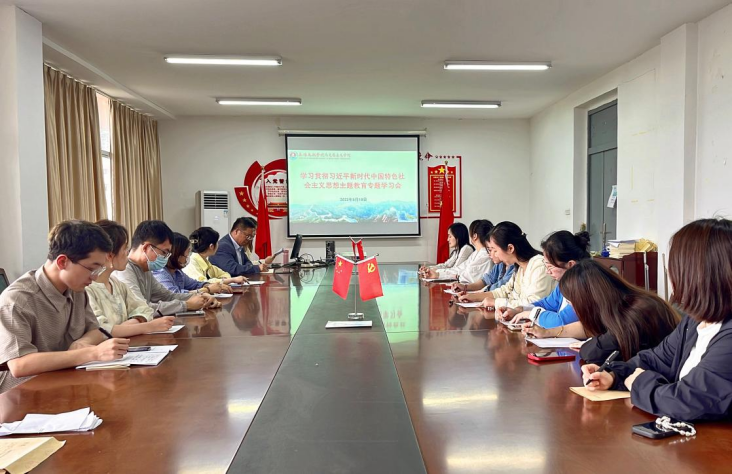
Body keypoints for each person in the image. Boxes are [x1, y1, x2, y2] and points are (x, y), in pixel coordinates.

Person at [584, 218, 732, 421]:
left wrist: (639, 383)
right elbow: (656, 359)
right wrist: (613, 374)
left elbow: (685, 401)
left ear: (695, 273)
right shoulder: (695, 321)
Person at [0, 220, 129, 393]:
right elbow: (19, 365)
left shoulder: (76, 289)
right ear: (62, 262)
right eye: (92, 269)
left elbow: (95, 331)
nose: (94, 277)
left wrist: (81, 343)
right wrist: (91, 353)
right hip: (23, 394)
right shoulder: (17, 301)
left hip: (66, 383)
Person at [525, 259, 679, 364]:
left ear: (587, 299)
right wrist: (548, 332)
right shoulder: (623, 304)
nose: (573, 308)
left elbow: (592, 352)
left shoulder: (637, 312)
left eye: (572, 302)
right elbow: (588, 328)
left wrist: (588, 344)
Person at [86, 220, 177, 337]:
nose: (127, 253)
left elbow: (145, 309)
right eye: (124, 248)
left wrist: (125, 327)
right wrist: (147, 326)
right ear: (110, 255)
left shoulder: (118, 284)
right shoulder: (87, 288)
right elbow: (102, 330)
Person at [114, 220, 215, 315]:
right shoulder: (125, 270)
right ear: (146, 248)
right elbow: (142, 308)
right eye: (164, 252)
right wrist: (186, 305)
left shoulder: (146, 270)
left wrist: (200, 296)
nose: (166, 258)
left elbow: (168, 296)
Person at [499, 230, 591, 327]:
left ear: (571, 264)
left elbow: (561, 321)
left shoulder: (584, 287)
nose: (547, 271)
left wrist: (532, 314)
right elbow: (546, 304)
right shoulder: (564, 284)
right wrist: (518, 310)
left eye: (550, 267)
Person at [461, 221, 554, 309]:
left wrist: (496, 303)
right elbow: (505, 291)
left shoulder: (539, 265)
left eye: (495, 250)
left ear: (510, 248)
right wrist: (473, 297)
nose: (495, 255)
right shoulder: (519, 267)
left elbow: (533, 303)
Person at [153, 233, 226, 304]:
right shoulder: (160, 272)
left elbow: (195, 284)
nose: (187, 258)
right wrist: (207, 289)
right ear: (177, 255)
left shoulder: (177, 272)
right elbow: (174, 295)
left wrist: (208, 285)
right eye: (186, 256)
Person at [423, 220, 493, 284]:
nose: (447, 239)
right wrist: (436, 272)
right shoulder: (476, 253)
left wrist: (438, 274)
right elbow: (459, 269)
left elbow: (466, 275)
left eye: (450, 236)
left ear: (474, 236)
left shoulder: (484, 254)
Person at [184, 227, 249, 286]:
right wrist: (230, 280)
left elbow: (225, 274)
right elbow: (203, 284)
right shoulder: (191, 263)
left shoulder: (205, 261)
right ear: (211, 246)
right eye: (217, 242)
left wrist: (222, 280)